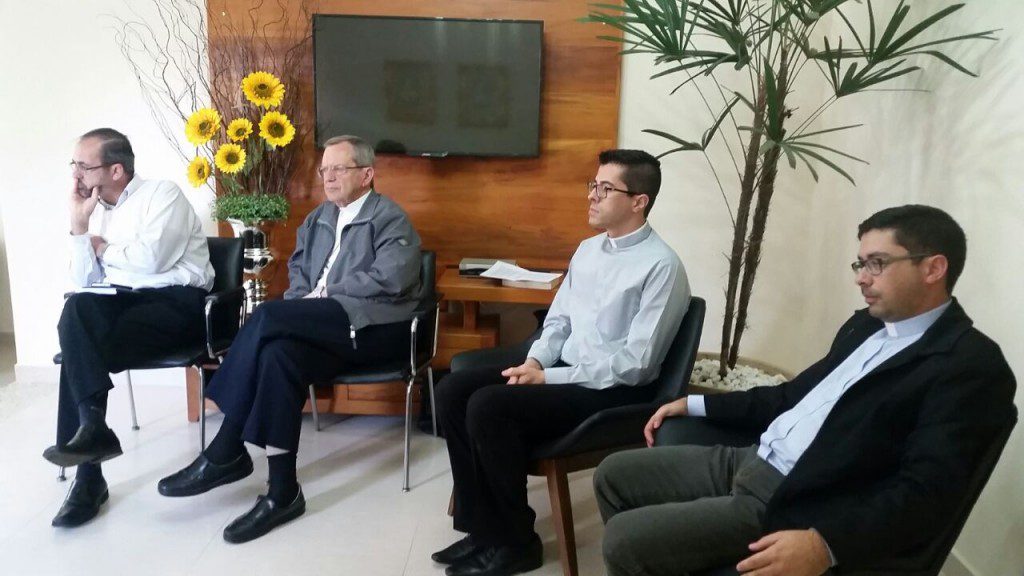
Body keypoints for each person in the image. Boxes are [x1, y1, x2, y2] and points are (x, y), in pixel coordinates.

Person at [594, 205, 1017, 576]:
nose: (861, 279)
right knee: (613, 475)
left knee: (623, 541)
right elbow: (791, 396)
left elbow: (926, 494)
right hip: (753, 457)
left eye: (877, 263)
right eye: (860, 264)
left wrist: (825, 544)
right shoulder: (866, 325)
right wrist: (696, 403)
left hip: (797, 498)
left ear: (933, 269)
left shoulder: (970, 367)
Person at [433, 149, 691, 576]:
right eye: (593, 185)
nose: (592, 196)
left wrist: (549, 378)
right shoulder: (588, 250)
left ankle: (516, 543)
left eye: (605, 189)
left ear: (638, 201)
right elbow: (558, 322)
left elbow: (637, 365)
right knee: (452, 390)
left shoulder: (662, 267)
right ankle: (483, 529)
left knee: (489, 406)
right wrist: (535, 362)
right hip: (565, 372)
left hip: (612, 390)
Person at [157, 135, 423, 544]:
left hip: (373, 328)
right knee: (279, 355)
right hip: (324, 325)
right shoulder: (317, 219)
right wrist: (304, 301)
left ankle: (226, 448)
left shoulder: (390, 218)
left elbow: (393, 278)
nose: (328, 177)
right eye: (324, 170)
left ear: (367, 175)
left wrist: (327, 293)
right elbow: (299, 274)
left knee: (266, 315)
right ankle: (283, 493)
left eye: (339, 169)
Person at [43, 128, 214, 528]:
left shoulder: (163, 195)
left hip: (176, 307)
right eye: (74, 165)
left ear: (116, 170)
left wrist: (103, 248)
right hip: (123, 305)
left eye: (83, 166)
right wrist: (79, 226)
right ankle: (92, 434)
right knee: (77, 312)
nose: (76, 175)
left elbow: (152, 261)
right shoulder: (95, 210)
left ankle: (88, 477)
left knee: (80, 345)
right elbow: (83, 280)